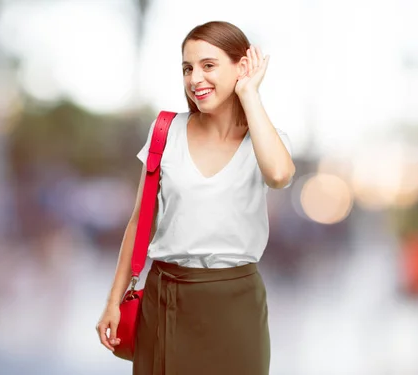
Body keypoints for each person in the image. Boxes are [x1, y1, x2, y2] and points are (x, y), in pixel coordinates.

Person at [96, 20, 295, 375]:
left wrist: (249, 94)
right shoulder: (165, 132)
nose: (195, 79)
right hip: (165, 299)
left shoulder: (266, 139)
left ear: (242, 67)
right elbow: (140, 219)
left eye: (208, 65)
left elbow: (279, 176)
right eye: (188, 68)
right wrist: (114, 301)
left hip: (236, 304)